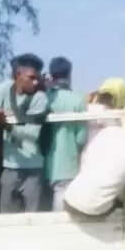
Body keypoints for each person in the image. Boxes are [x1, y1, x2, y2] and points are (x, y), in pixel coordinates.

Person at [0, 54, 49, 213]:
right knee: (7, 220)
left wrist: (7, 127)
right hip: (10, 167)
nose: (36, 82)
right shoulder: (4, 89)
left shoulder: (40, 98)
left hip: (33, 168)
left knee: (33, 221)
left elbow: (32, 134)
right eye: (31, 78)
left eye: (37, 78)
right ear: (18, 75)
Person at [63, 110, 125, 218]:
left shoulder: (109, 131)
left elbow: (85, 157)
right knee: (123, 201)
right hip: (96, 210)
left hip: (70, 199)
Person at [44, 57, 87, 211]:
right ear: (69, 74)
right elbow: (81, 138)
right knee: (60, 215)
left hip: (39, 164)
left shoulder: (43, 98)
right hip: (66, 164)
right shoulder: (78, 101)